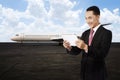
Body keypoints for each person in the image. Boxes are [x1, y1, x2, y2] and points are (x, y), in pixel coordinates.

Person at [63, 6, 112, 80]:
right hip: (84, 74)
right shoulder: (85, 33)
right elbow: (77, 51)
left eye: (90, 18)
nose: (87, 21)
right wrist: (69, 47)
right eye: (86, 18)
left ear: (98, 17)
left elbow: (102, 54)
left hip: (97, 74)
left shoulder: (106, 33)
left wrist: (86, 47)